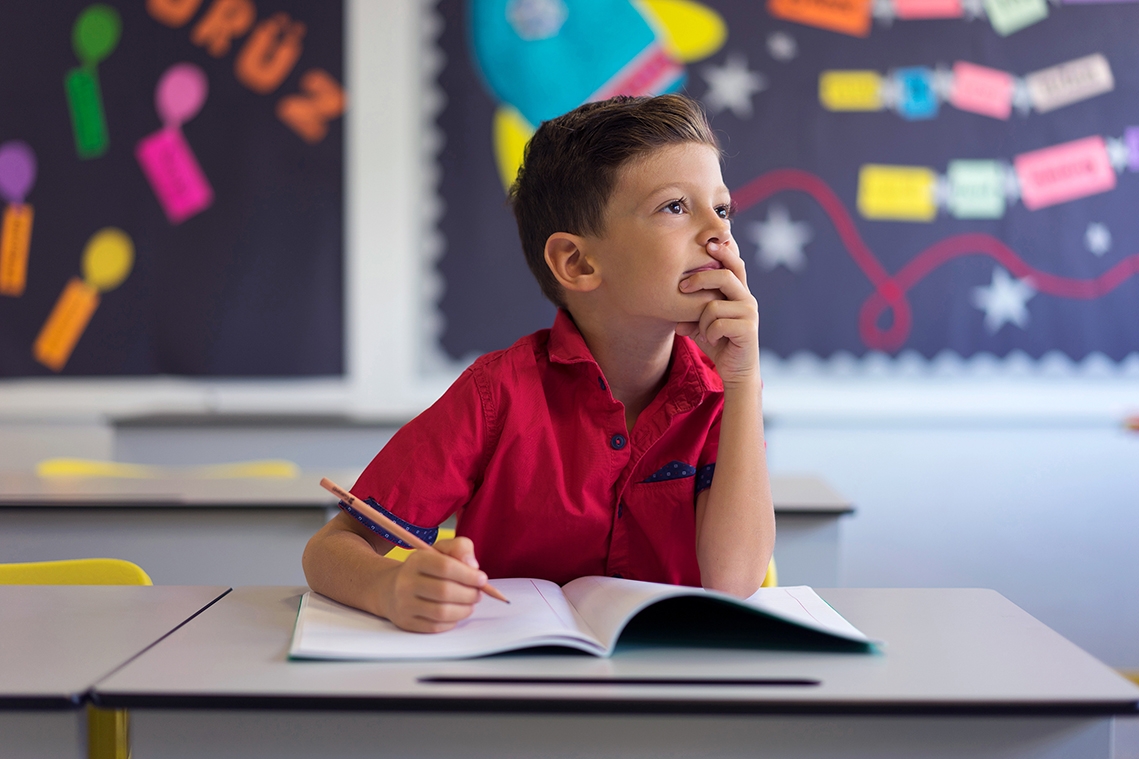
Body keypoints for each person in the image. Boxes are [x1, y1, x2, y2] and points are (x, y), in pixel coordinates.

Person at [303, 93, 774, 633]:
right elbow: (331, 549)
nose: (719, 234)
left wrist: (742, 381)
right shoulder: (495, 395)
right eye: (674, 207)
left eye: (721, 208)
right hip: (514, 687)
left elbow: (735, 581)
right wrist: (390, 587)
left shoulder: (720, 393)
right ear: (577, 262)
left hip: (670, 687)